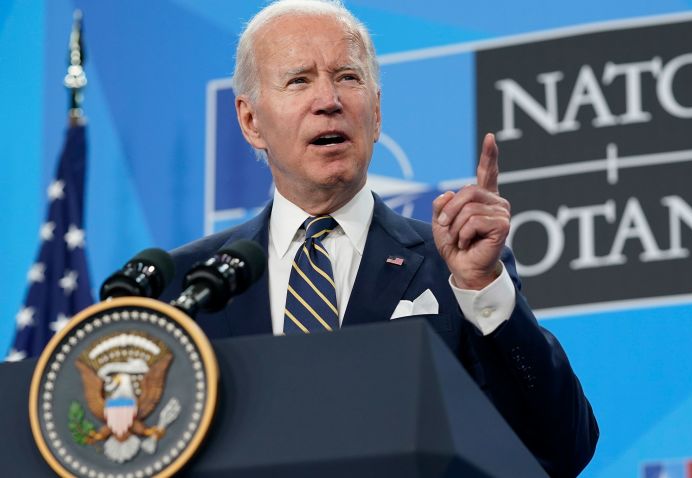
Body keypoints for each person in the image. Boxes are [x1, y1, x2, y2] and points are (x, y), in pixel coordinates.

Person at [163, 1, 598, 475]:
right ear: (250, 121)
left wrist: (482, 289)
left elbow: (562, 447)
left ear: (375, 112)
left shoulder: (452, 266)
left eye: (348, 77)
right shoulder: (186, 288)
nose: (328, 99)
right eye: (299, 80)